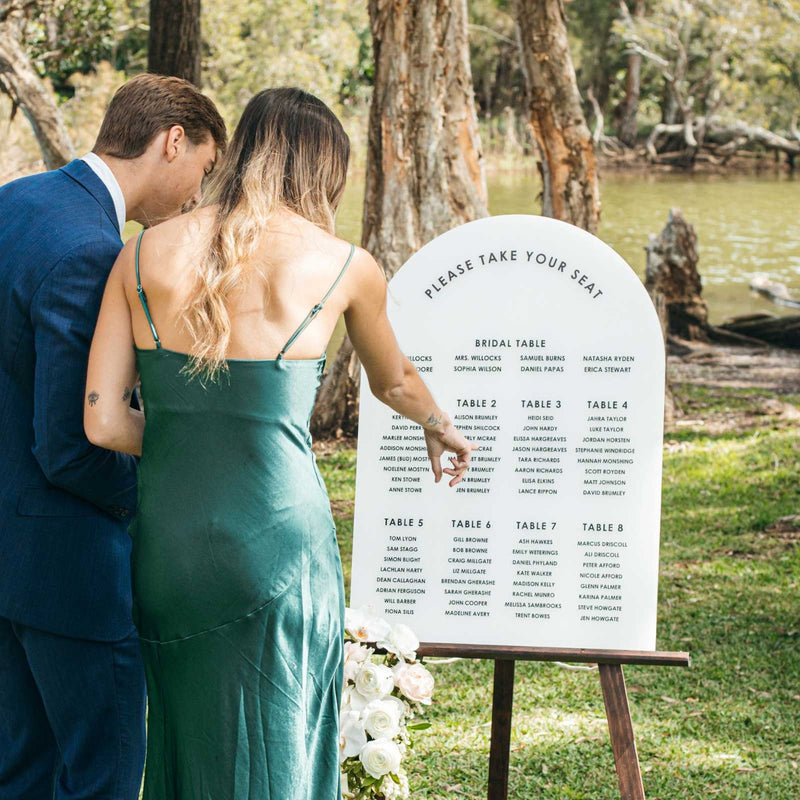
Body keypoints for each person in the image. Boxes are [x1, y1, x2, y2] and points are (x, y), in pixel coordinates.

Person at [83, 87, 474, 799]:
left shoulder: (139, 255)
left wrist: (188, 442)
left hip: (171, 550)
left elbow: (104, 420)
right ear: (324, 168)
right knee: (284, 735)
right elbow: (397, 382)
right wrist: (441, 427)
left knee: (183, 737)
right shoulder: (344, 263)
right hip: (278, 544)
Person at [0, 74, 226, 800]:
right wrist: (161, 496)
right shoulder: (89, 250)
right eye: (204, 168)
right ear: (172, 142)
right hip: (68, 568)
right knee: (100, 778)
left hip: (9, 560)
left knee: (21, 773)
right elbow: (72, 445)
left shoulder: (16, 202)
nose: (199, 194)